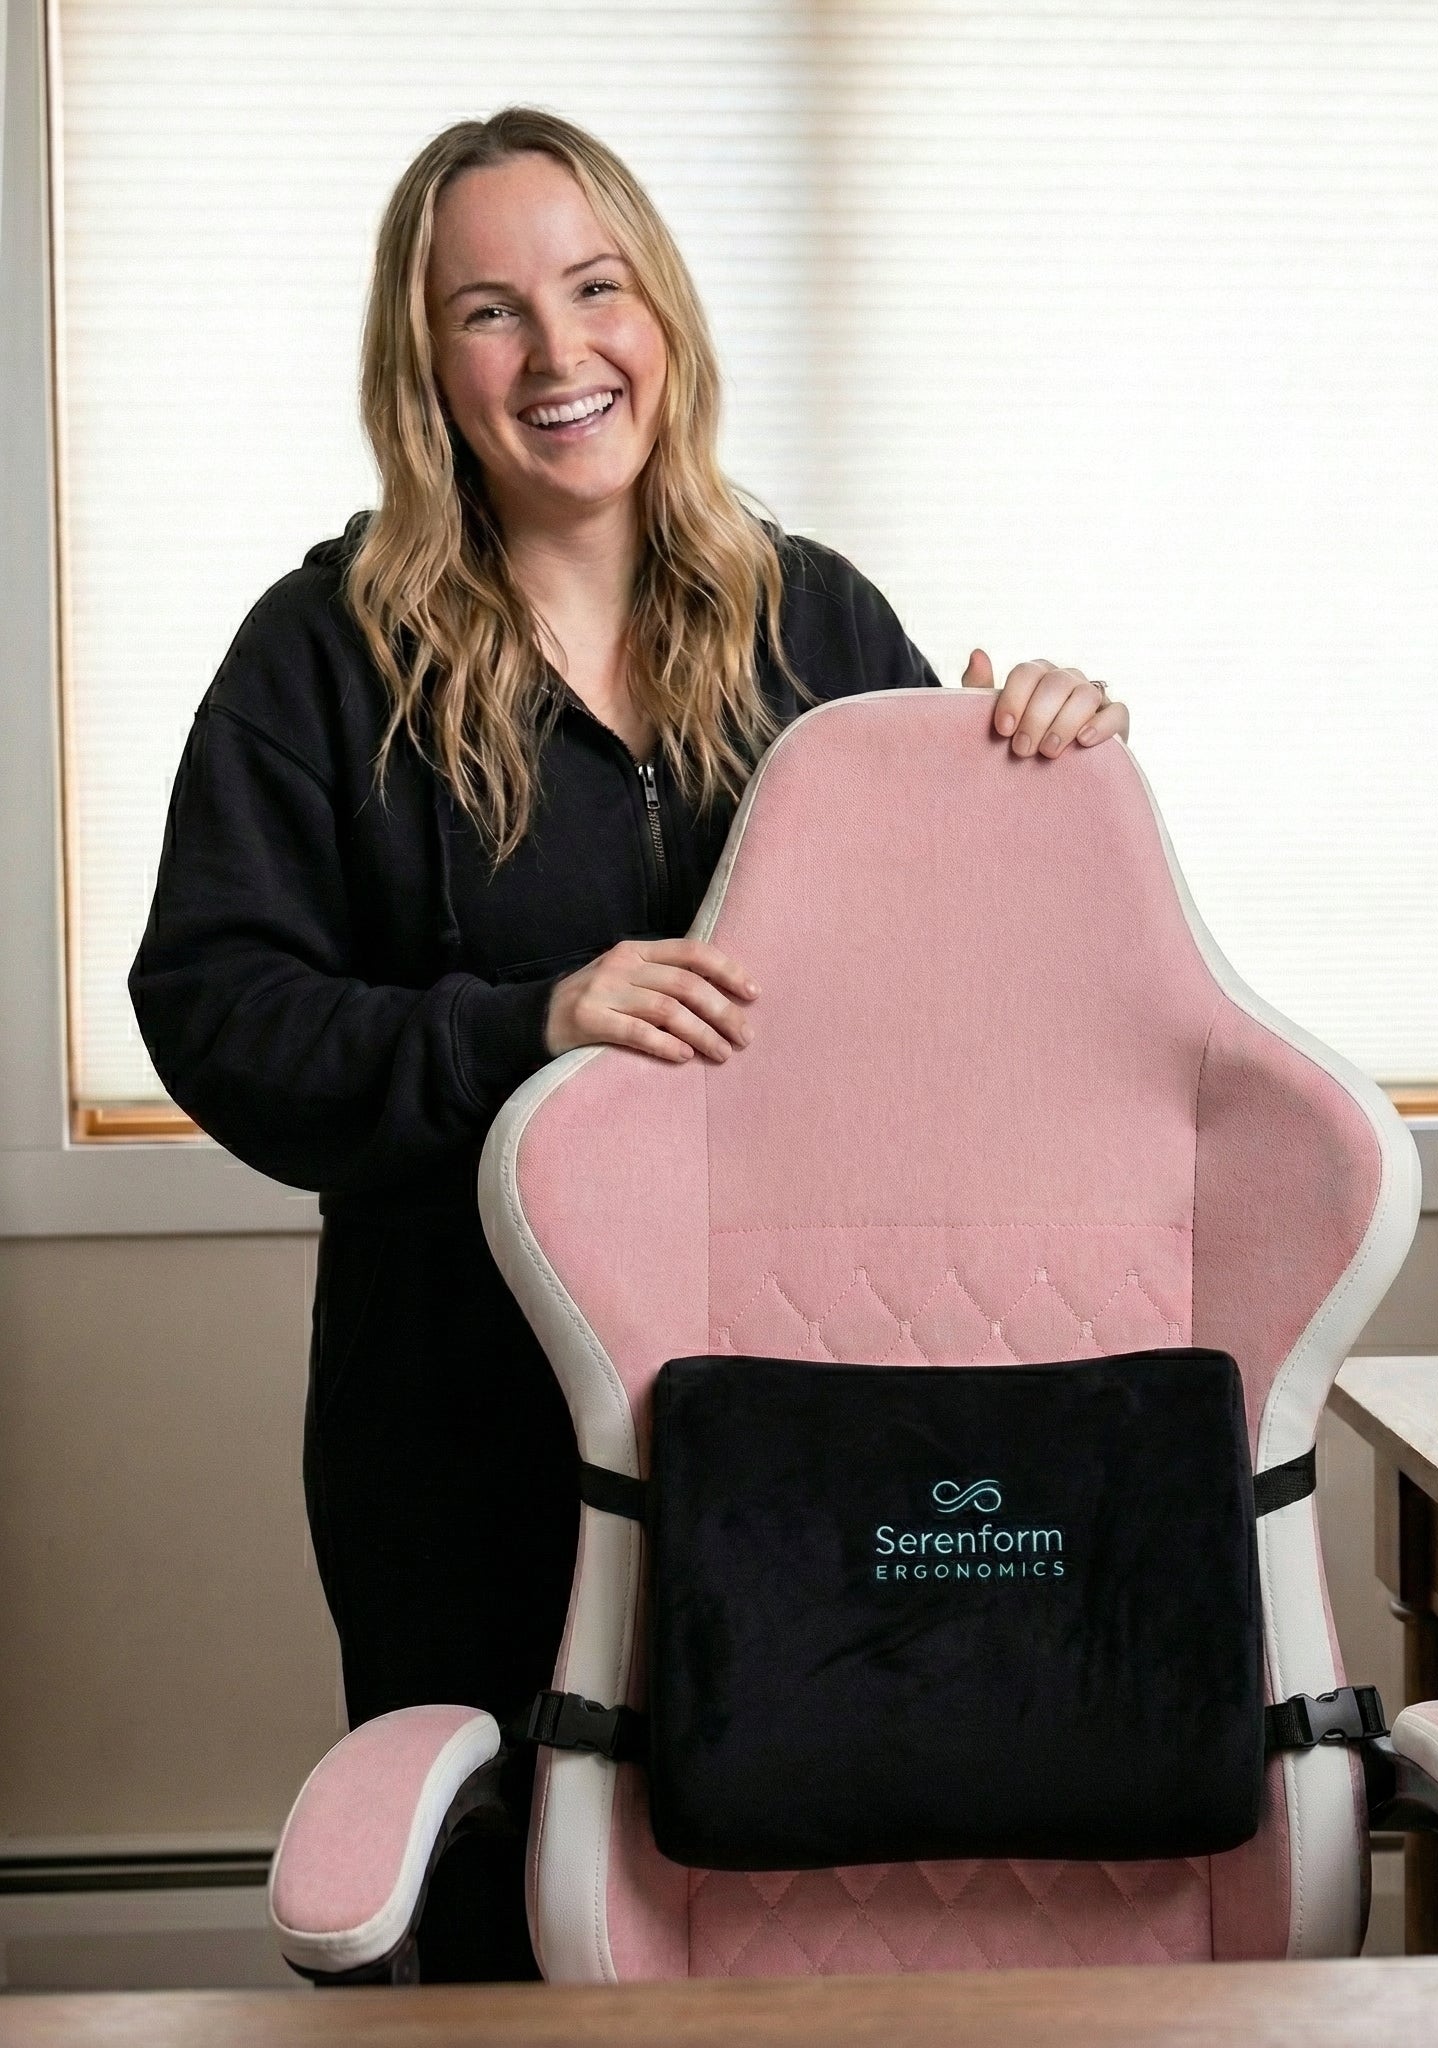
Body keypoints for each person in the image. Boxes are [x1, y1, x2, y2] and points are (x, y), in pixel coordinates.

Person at [126, 105, 1129, 1983]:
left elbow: (965, 999)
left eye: (597, 290)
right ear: (425, 365)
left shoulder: (819, 617)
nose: (561, 352)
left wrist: (1028, 764)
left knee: (799, 1917)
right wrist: (535, 1020)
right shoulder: (317, 655)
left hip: (807, 1425)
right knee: (506, 1935)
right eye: (492, 311)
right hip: (465, 1444)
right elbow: (214, 1012)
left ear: (661, 313)